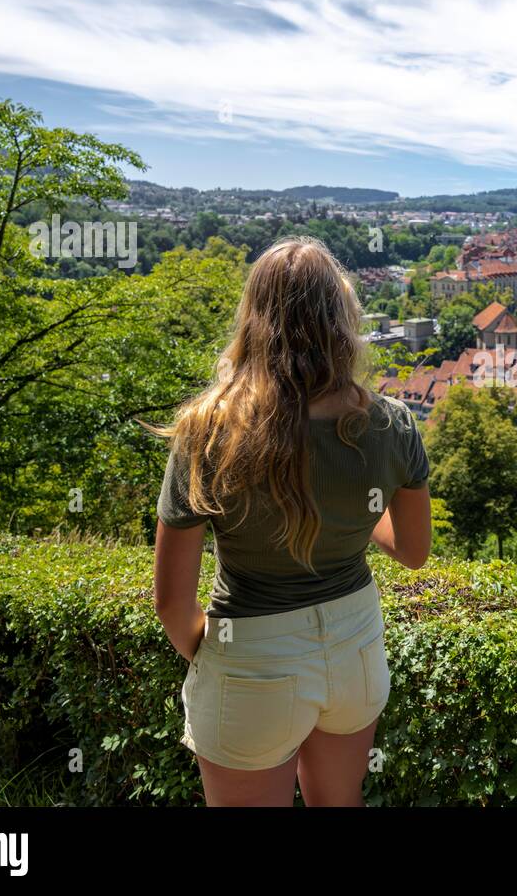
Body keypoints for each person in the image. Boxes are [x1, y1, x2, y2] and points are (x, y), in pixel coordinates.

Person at [149, 236, 430, 806]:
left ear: (253, 319)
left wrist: (217, 652)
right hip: (355, 642)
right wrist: (352, 513)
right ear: (343, 322)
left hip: (249, 647)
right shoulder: (391, 424)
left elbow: (173, 605)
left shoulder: (208, 431)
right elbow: (412, 550)